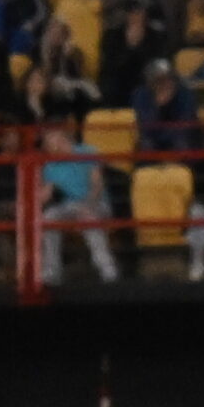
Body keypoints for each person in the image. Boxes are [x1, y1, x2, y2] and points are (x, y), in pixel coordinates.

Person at [38, 120, 121, 284]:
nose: (48, 147)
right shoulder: (49, 166)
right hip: (68, 206)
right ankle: (51, 271)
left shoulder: (87, 151)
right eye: (46, 144)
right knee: (47, 218)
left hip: (95, 202)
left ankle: (108, 270)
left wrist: (88, 205)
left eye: (51, 141)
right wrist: (43, 193)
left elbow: (97, 184)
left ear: (63, 140)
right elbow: (44, 194)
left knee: (88, 218)